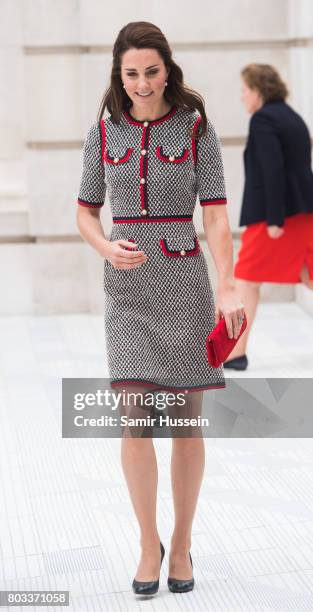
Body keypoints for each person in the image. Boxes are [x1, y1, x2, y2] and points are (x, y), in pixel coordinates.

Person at [76, 21, 245, 596]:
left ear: (167, 69)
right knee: (134, 421)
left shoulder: (197, 127)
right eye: (131, 73)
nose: (142, 83)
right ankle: (148, 543)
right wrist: (104, 246)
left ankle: (182, 541)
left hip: (186, 285)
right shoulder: (102, 134)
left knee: (187, 425)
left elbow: (217, 215)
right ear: (118, 75)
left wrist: (227, 287)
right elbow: (85, 213)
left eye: (152, 71)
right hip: (126, 289)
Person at [224, 63, 313, 371]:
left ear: (258, 91)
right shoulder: (292, 117)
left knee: (246, 280)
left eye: (245, 90)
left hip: (274, 216)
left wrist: (275, 218)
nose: (242, 97)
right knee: (307, 274)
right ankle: (235, 350)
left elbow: (273, 170)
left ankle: (235, 352)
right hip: (303, 211)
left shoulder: (263, 120)